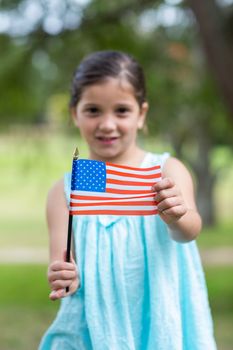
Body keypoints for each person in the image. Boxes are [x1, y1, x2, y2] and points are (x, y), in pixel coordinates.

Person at [39, 50, 216, 350]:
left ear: (141, 114)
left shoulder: (166, 171)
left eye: (121, 110)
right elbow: (63, 259)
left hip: (159, 314)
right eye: (93, 110)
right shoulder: (65, 192)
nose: (107, 124)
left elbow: (190, 231)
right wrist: (63, 274)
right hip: (95, 325)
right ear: (74, 113)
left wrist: (178, 216)